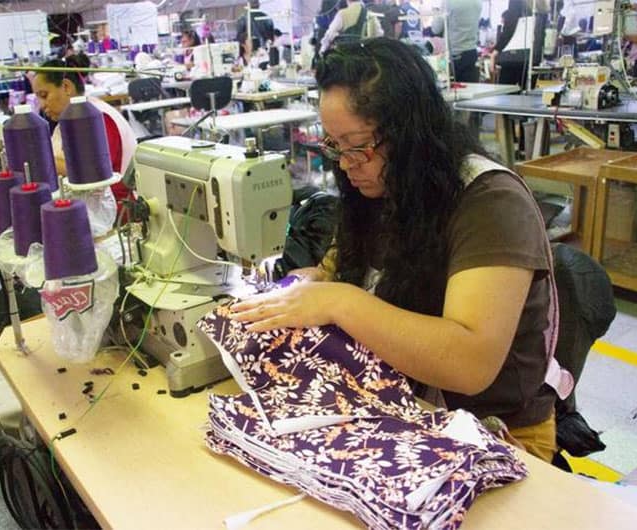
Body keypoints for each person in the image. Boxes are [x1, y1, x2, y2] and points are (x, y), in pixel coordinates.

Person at [230, 38, 563, 462]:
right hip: (402, 404)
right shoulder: (379, 186)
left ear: (410, 133)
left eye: (357, 145)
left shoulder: (490, 204)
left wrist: (339, 302)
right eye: (334, 145)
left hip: (494, 432)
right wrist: (306, 284)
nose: (347, 165)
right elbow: (339, 267)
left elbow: (469, 362)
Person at [32, 56, 135, 208]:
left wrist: (40, 159)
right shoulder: (71, 120)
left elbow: (92, 173)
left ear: (66, 86)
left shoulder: (98, 119)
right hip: (93, 207)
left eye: (44, 95)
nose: (42, 105)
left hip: (115, 211)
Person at [431, 0, 483, 83]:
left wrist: (436, 13)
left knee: (451, 93)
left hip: (454, 57)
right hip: (471, 53)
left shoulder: (448, 2)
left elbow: (436, 29)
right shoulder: (477, 2)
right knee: (470, 90)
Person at [319, 0, 384, 53]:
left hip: (345, 57)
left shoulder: (342, 14)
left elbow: (329, 36)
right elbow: (379, 36)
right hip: (365, 57)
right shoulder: (371, 15)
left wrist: (322, 51)